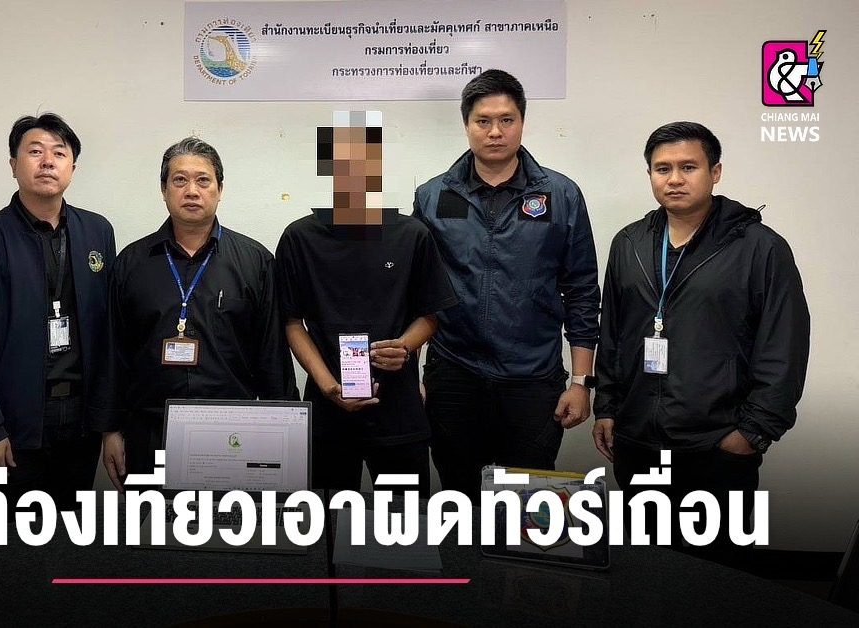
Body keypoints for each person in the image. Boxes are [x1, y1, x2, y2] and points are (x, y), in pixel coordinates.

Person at [593, 121, 810, 566]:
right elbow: (612, 332)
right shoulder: (629, 243)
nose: (674, 179)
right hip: (638, 442)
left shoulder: (759, 247)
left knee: (717, 578)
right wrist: (608, 408)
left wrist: (753, 432)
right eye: (662, 168)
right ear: (650, 175)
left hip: (715, 446)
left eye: (688, 167)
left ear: (715, 172)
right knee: (643, 567)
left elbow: (784, 344)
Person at [413, 69, 600, 496]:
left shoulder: (561, 194)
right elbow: (419, 293)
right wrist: (413, 376)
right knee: (459, 498)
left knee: (527, 506)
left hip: (532, 378)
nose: (495, 131)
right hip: (454, 375)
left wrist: (580, 382)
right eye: (483, 121)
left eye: (506, 120)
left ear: (522, 123)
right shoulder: (433, 196)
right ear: (467, 125)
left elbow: (582, 291)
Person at [0, 113, 116, 508]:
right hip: (11, 423)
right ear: (13, 165)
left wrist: (108, 422)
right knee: (12, 534)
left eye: (59, 153)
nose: (48, 161)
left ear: (73, 167)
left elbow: (107, 333)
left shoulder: (97, 232)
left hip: (81, 422)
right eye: (35, 152)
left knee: (72, 527)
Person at [276, 111, 458, 490]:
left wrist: (404, 347)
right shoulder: (299, 238)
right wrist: (327, 385)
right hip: (327, 412)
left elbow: (431, 314)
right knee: (324, 520)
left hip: (398, 413)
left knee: (404, 521)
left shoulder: (411, 235)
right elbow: (292, 322)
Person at [102, 137, 297, 489]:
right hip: (149, 431)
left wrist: (284, 432)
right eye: (179, 180)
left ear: (220, 189)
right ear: (164, 190)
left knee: (227, 523)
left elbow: (272, 355)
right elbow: (114, 353)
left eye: (203, 180)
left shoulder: (255, 262)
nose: (191, 190)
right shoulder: (131, 264)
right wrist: (110, 429)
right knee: (151, 524)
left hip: (232, 432)